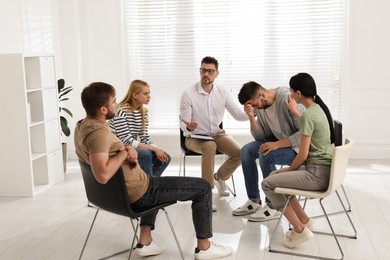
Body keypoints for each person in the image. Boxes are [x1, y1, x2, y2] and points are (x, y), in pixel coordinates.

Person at [74, 82, 233, 259]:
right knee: (203, 187)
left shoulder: (82, 125)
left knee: (155, 177)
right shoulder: (98, 133)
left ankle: (146, 241)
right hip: (140, 193)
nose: (115, 104)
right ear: (103, 109)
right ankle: (205, 247)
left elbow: (106, 156)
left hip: (123, 192)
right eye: (113, 101)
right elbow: (102, 175)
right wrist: (126, 152)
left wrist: (126, 151)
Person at [262, 72, 335, 248]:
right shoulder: (319, 109)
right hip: (324, 170)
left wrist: (288, 170)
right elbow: (310, 124)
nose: (290, 94)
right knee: (274, 174)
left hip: (316, 175)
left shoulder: (309, 115)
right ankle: (304, 220)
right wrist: (295, 111)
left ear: (299, 94)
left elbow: (302, 156)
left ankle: (299, 230)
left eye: (292, 91)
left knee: (267, 184)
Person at [180, 56, 248, 211]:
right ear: (200, 71)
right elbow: (184, 124)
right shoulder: (188, 93)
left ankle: (219, 177)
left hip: (216, 133)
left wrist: (252, 113)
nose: (206, 74)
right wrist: (189, 127)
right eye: (203, 70)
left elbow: (237, 114)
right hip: (194, 137)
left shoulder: (222, 91)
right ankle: (206, 194)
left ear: (217, 73)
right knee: (209, 146)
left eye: (210, 71)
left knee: (240, 153)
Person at [233, 81, 305, 222]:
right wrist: (251, 118)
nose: (254, 108)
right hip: (278, 143)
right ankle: (254, 201)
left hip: (297, 148)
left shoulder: (287, 99)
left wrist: (277, 144)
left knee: (266, 155)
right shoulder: (262, 106)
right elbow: (261, 137)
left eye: (253, 105)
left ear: (261, 95)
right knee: (246, 151)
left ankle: (273, 206)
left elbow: (304, 133)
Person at [109, 79, 170, 177]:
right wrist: (154, 149)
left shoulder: (144, 113)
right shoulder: (120, 111)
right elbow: (126, 140)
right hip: (119, 148)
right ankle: (149, 187)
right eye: (145, 94)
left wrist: (158, 150)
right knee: (145, 153)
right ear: (135, 95)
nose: (149, 96)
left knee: (165, 157)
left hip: (130, 146)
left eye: (149, 93)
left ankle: (150, 184)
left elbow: (145, 138)